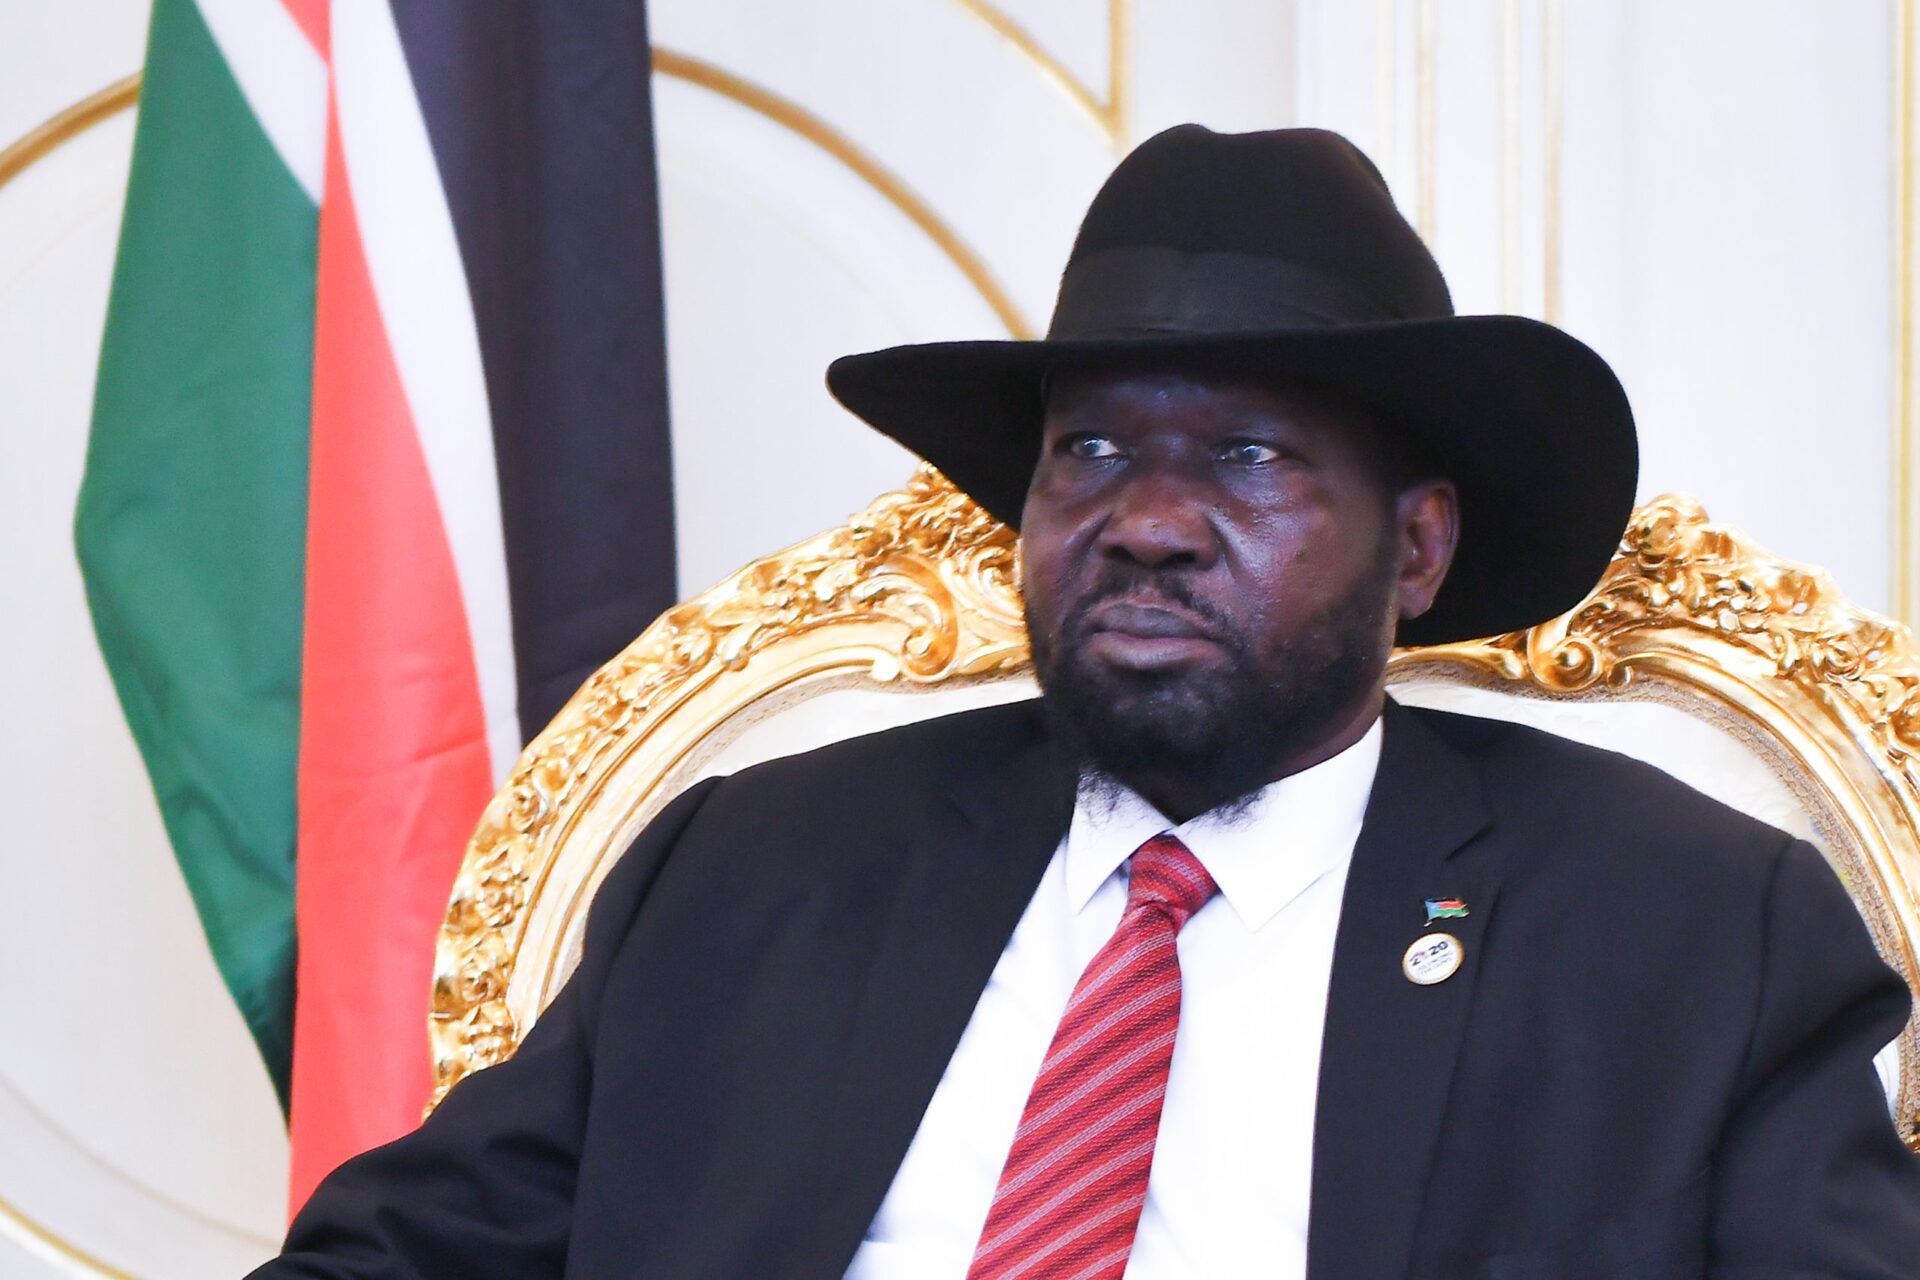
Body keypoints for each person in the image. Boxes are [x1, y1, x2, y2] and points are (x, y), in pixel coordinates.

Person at [253, 126, 1920, 1279]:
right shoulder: (752, 865)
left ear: (1416, 549)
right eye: (1094, 451)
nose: (1148, 521)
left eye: (1249, 456)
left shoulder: (1693, 927)